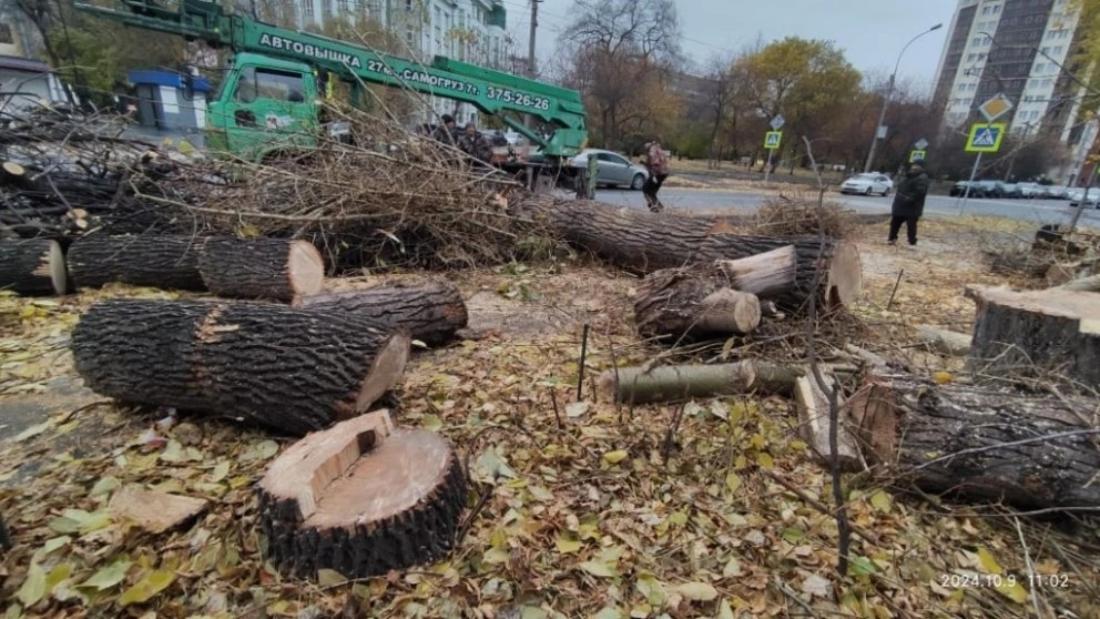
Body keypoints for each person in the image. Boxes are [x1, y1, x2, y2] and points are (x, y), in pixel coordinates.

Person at [889, 160, 930, 246]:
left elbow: (920, 192)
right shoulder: (908, 176)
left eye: (916, 166)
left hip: (912, 206)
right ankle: (892, 238)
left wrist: (910, 198)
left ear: (921, 167)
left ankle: (912, 241)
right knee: (895, 223)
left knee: (911, 225)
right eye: (913, 165)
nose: (914, 167)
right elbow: (899, 186)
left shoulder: (922, 177)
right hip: (900, 204)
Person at [642, 139, 670, 212]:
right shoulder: (658, 149)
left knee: (645, 189)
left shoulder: (652, 151)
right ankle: (660, 208)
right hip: (664, 173)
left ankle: (652, 205)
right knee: (652, 192)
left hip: (658, 173)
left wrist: (654, 175)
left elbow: (655, 163)